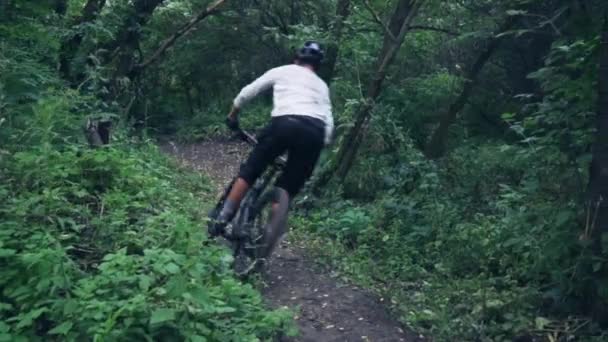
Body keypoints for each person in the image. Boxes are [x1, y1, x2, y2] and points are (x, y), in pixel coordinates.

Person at [208, 41, 333, 254]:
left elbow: (248, 92)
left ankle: (222, 219)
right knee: (287, 187)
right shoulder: (322, 86)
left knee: (250, 171)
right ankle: (266, 238)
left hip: (285, 123)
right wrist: (318, 143)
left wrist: (232, 116)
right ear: (317, 66)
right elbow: (329, 127)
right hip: (315, 133)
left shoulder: (284, 70)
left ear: (296, 59)